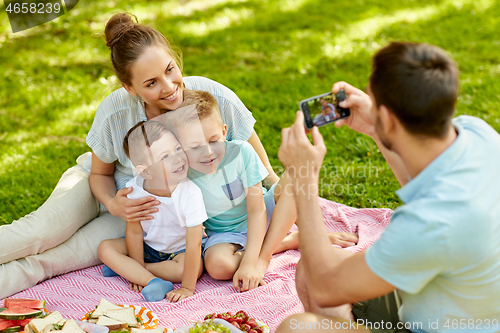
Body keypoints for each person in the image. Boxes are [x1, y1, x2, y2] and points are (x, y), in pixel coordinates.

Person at [0, 12, 280, 299]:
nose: (169, 87)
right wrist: (113, 203)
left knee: (51, 261)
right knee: (41, 233)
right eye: (151, 83)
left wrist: (279, 203)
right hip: (99, 189)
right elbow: (99, 174)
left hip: (141, 216)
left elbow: (261, 169)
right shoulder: (115, 111)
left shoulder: (211, 98)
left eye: (170, 70)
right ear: (129, 88)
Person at [276, 41, 500, 332]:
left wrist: (303, 181)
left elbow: (325, 288)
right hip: (456, 299)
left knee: (298, 327)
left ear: (391, 118)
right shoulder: (476, 132)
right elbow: (423, 183)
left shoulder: (428, 224)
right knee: (311, 265)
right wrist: (374, 127)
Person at [161, 89, 292, 291]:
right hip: (224, 234)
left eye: (213, 141)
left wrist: (250, 263)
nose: (207, 153)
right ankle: (284, 241)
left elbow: (257, 210)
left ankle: (263, 255)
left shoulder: (242, 152)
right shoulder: (182, 173)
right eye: (194, 147)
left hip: (261, 214)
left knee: (296, 181)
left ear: (224, 132)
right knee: (217, 267)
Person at [98, 120, 207, 303]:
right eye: (165, 157)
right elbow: (134, 231)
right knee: (105, 248)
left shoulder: (190, 194)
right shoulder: (134, 189)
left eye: (178, 149)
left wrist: (187, 288)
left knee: (190, 270)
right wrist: (137, 263)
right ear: (146, 172)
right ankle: (151, 280)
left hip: (180, 251)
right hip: (149, 247)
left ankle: (130, 270)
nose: (178, 158)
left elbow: (194, 245)